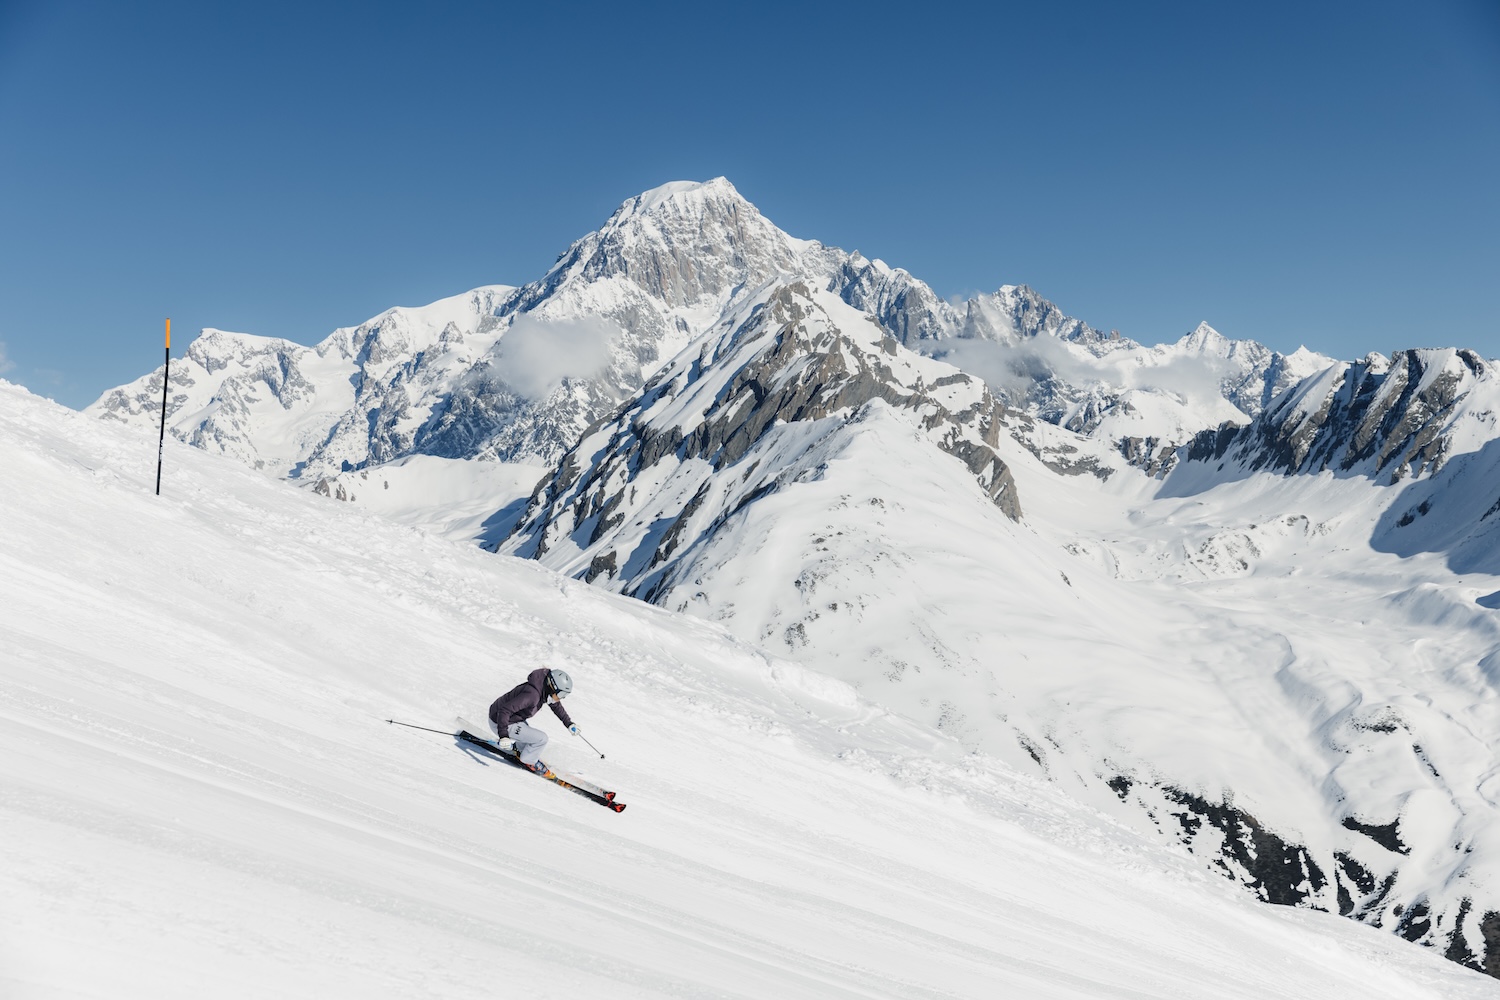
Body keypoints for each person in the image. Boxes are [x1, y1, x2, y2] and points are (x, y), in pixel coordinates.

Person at [488, 667, 580, 774]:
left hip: (509, 719)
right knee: (541, 739)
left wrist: (568, 723)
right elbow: (504, 710)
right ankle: (529, 761)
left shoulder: (542, 689)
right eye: (561, 695)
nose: (561, 698)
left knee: (529, 736)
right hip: (499, 722)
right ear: (552, 687)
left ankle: (519, 750)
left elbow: (556, 706)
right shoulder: (532, 695)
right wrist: (503, 735)